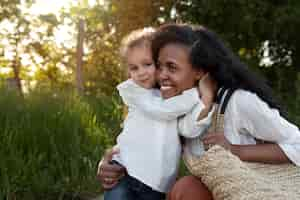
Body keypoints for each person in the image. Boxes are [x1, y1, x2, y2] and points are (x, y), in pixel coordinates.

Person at [98, 23, 300, 199]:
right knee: (185, 189)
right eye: (159, 66)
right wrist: (108, 162)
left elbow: (297, 144)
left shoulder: (237, 102)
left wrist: (236, 150)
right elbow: (138, 140)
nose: (162, 75)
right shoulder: (170, 107)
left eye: (172, 67)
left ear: (200, 72)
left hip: (260, 190)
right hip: (222, 189)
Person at [103, 27, 214, 200]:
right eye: (134, 67)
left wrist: (205, 99)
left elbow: (190, 129)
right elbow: (162, 110)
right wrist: (194, 94)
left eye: (147, 64)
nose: (140, 72)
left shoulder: (173, 97)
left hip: (157, 182)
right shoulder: (135, 92)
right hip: (126, 171)